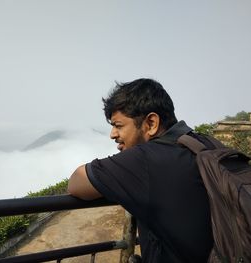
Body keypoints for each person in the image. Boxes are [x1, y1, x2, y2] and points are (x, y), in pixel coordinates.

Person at [67, 78, 214, 263]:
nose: (112, 134)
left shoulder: (146, 161)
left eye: (118, 125)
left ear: (151, 123)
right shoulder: (206, 144)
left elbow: (75, 183)